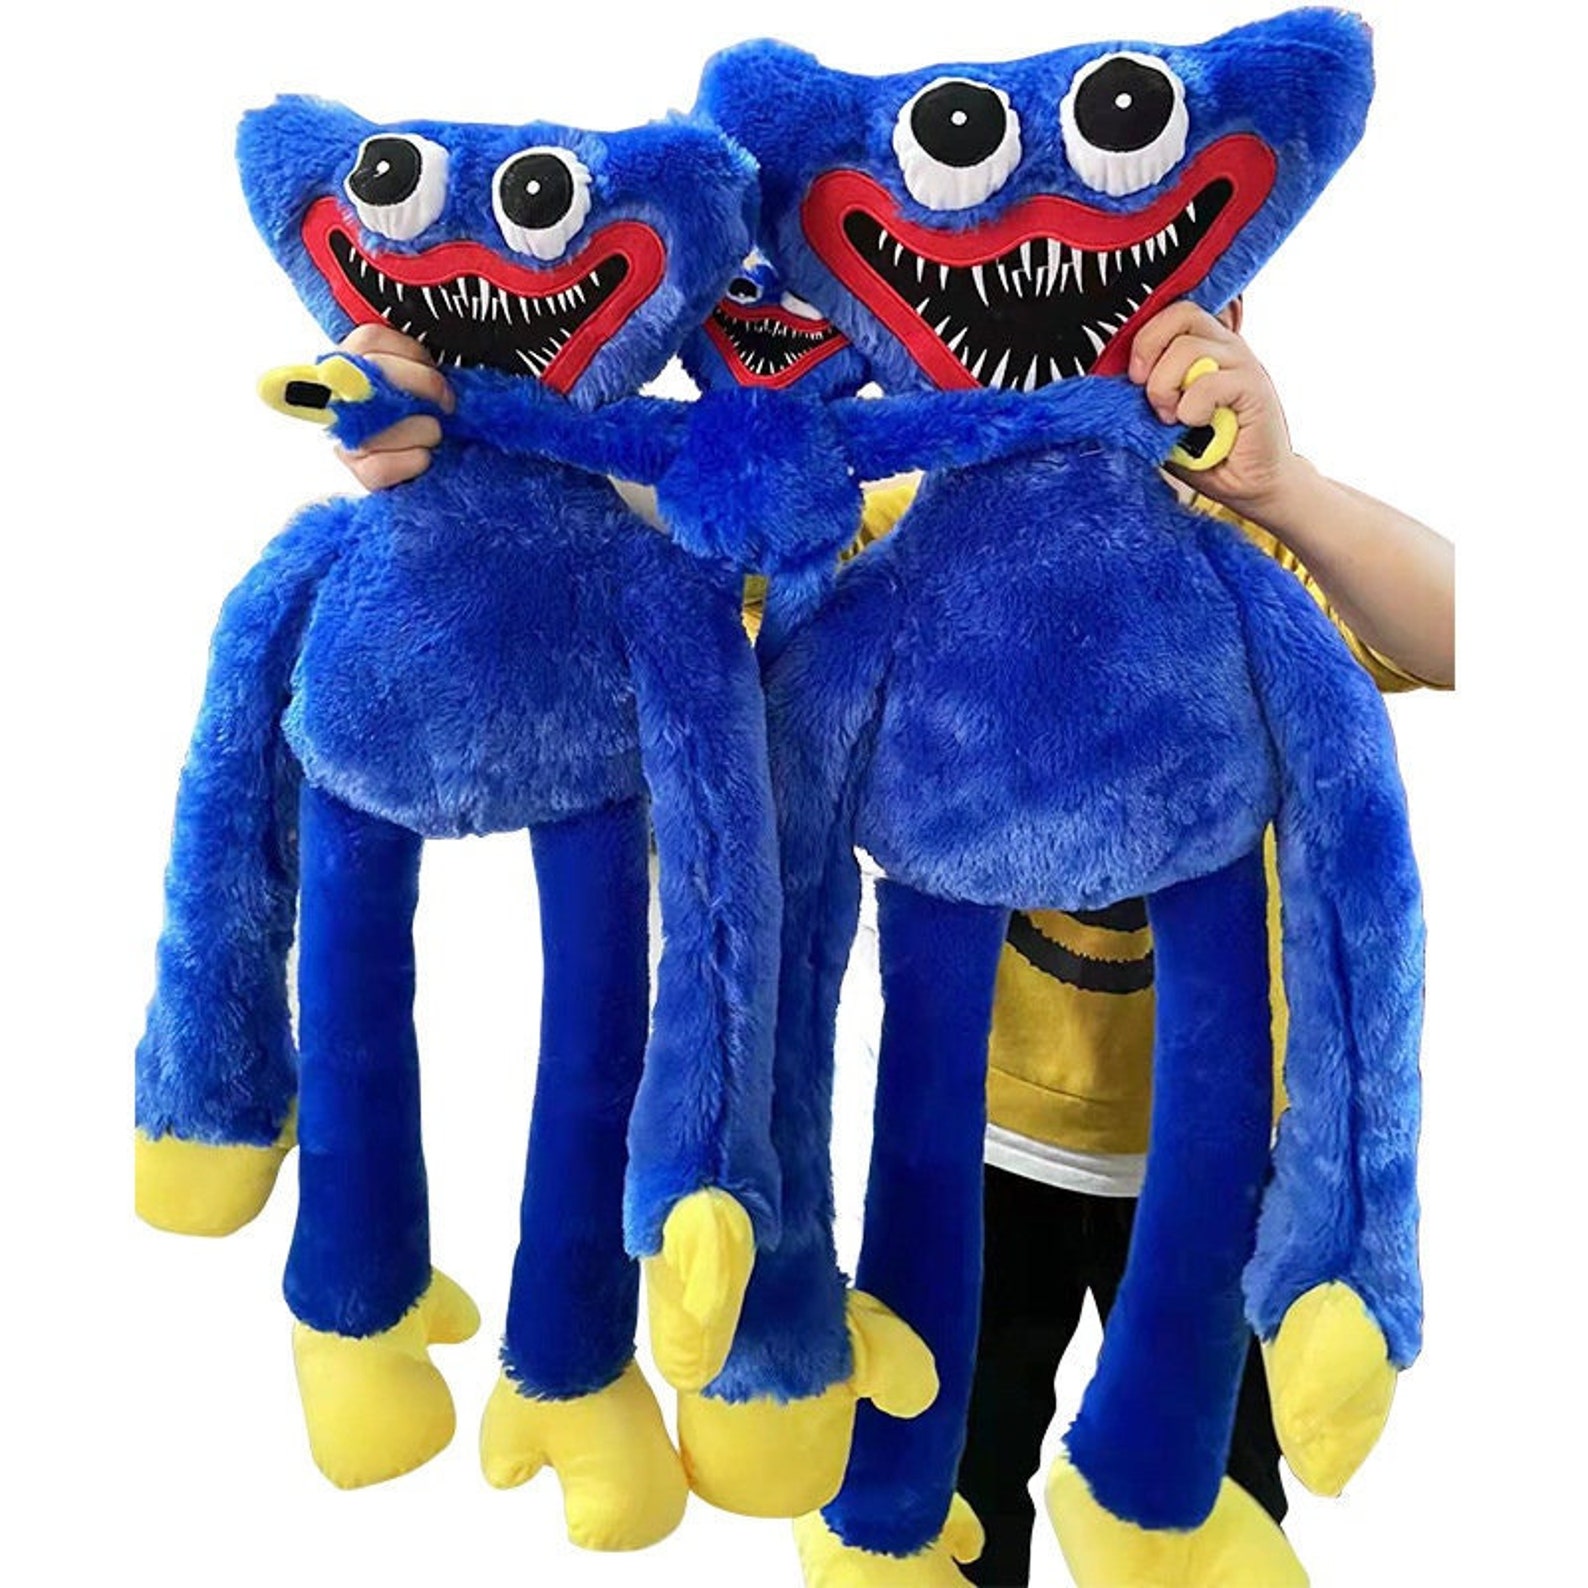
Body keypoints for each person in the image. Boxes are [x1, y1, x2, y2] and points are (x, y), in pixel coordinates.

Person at [327, 300, 1455, 1588]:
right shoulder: (913, 532)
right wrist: (468, 422)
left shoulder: (1244, 551)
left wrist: (1284, 487)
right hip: (979, 1145)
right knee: (935, 1493)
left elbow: (1464, 628)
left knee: (1198, 1501)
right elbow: (678, 537)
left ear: (1225, 300)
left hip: (1219, 1151)